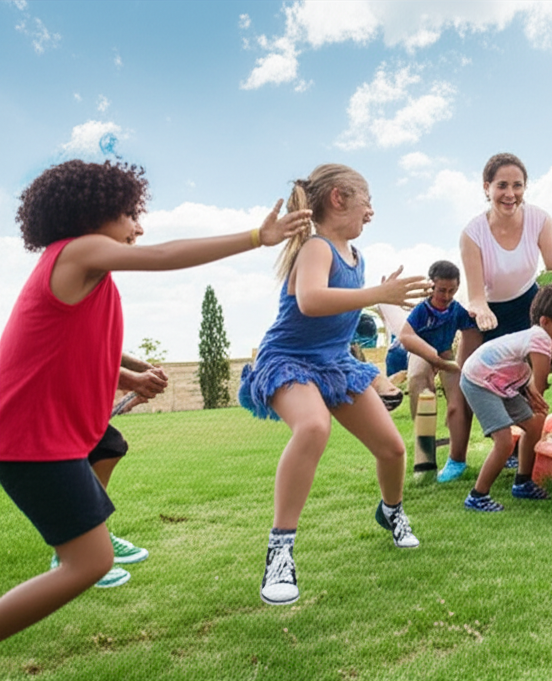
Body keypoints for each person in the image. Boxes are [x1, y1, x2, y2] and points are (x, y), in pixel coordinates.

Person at [0, 159, 309, 641]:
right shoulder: (80, 253)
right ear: (90, 213)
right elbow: (166, 256)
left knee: (92, 541)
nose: (138, 228)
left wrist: (130, 374)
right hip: (31, 440)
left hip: (41, 438)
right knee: (89, 562)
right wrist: (256, 237)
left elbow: (69, 350)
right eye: (128, 215)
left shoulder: (77, 270)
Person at [237, 163, 432, 607]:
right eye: (367, 200)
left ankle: (392, 512)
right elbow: (310, 301)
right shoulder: (315, 248)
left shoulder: (355, 258)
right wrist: (376, 296)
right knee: (312, 427)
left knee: (394, 449)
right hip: (288, 362)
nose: (372, 211)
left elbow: (341, 321)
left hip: (333, 364)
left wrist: (375, 298)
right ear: (339, 198)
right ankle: (280, 550)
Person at [459, 152, 552, 467]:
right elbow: (476, 296)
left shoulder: (539, 218)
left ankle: (522, 446)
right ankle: (460, 457)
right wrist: (484, 313)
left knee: (524, 380)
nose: (510, 194)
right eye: (502, 185)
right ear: (486, 187)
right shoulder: (472, 233)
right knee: (470, 376)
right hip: (487, 310)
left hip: (527, 302)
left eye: (517, 185)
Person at [459, 285, 552, 511]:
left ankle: (523, 482)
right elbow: (541, 383)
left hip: (502, 381)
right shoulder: (541, 338)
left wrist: (531, 396)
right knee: (504, 441)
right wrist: (534, 398)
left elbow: (526, 378)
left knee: (535, 424)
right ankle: (477, 495)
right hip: (479, 380)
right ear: (545, 321)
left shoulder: (538, 337)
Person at [53, 353, 170, 590]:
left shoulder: (98, 319)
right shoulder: (69, 317)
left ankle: (94, 534)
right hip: (37, 397)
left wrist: (140, 372)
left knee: (108, 446)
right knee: (77, 458)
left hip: (66, 393)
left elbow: (102, 351)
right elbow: (79, 356)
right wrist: (135, 380)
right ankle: (69, 552)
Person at [397, 260, 481, 483]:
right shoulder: (422, 310)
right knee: (422, 389)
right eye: (441, 290)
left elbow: (472, 329)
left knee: (458, 402)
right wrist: (432, 359)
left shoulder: (455, 309)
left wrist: (477, 313)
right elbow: (406, 336)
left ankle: (457, 461)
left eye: (452, 290)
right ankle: (424, 463)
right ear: (431, 286)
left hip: (445, 353)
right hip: (422, 351)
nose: (446, 296)